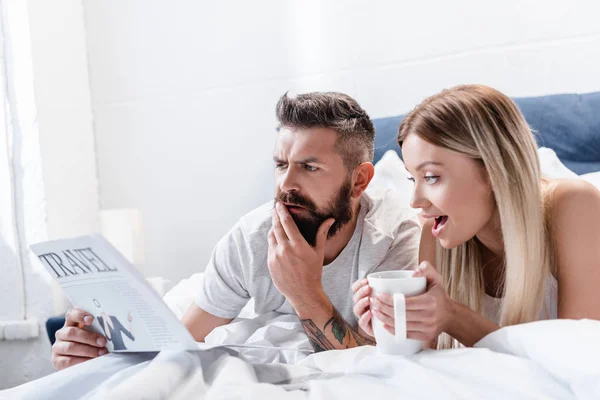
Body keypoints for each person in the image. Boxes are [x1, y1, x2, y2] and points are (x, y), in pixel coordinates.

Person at [51, 91, 421, 370]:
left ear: (359, 180)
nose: (285, 184)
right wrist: (92, 353)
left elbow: (386, 369)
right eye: (280, 164)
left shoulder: (397, 238)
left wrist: (304, 292)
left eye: (309, 167)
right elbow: (181, 343)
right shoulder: (252, 236)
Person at [353, 84, 600, 349]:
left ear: (494, 169)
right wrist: (392, 329)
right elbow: (429, 369)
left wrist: (453, 317)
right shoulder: (433, 234)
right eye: (413, 179)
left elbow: (578, 361)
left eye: (432, 177)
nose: (416, 201)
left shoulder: (575, 205)